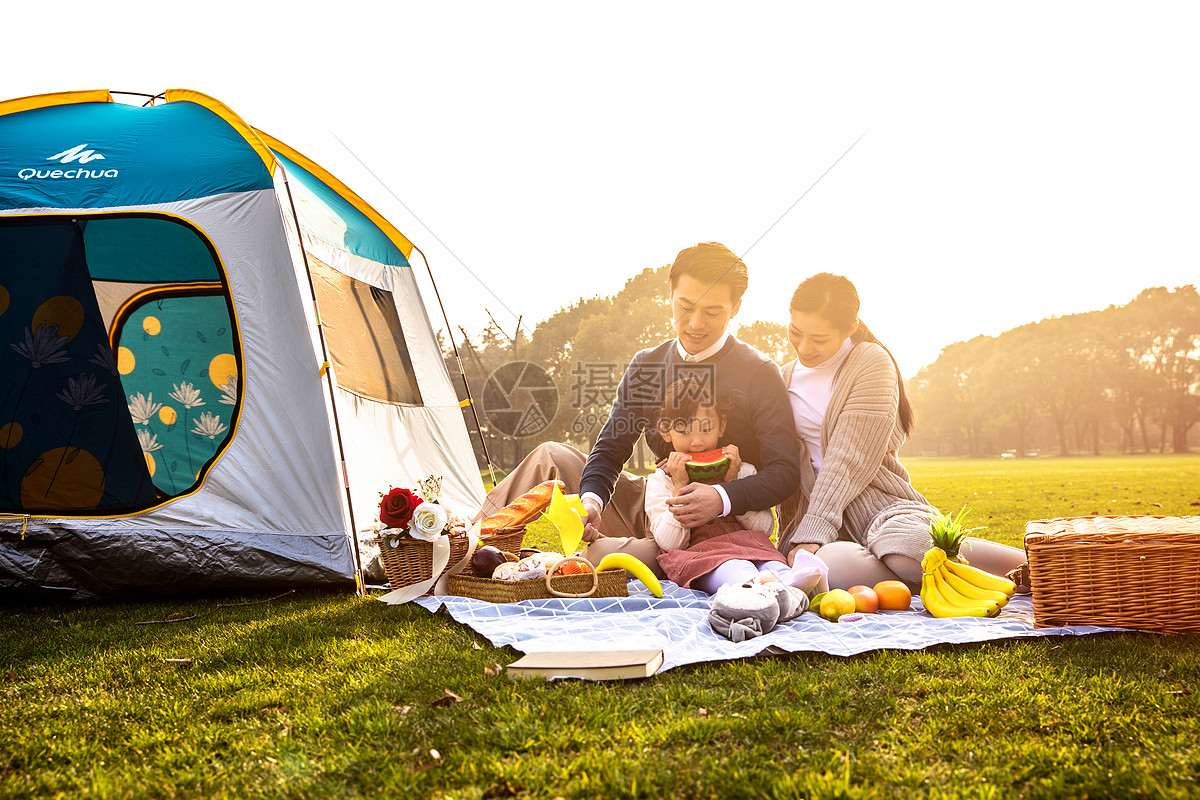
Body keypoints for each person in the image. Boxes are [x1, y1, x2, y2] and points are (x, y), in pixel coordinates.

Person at [475, 242, 801, 574]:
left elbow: (785, 471)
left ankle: (656, 558)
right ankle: (462, 545)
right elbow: (611, 448)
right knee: (550, 454)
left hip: (720, 531)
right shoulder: (647, 366)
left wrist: (723, 496)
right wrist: (592, 500)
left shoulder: (759, 372)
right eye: (685, 307)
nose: (695, 323)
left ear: (735, 308)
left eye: (712, 312)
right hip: (657, 503)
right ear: (670, 297)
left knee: (601, 556)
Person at [775, 273, 1026, 589]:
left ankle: (1038, 569)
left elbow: (848, 456)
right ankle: (944, 583)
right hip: (819, 528)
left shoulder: (871, 362)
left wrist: (814, 528)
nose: (804, 347)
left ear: (849, 328)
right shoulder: (784, 376)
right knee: (833, 568)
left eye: (819, 339)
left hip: (884, 511)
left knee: (906, 552)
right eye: (795, 332)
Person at [649, 378, 827, 595]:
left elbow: (764, 529)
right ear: (665, 431)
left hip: (752, 549)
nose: (697, 442)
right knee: (736, 569)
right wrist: (679, 486)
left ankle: (795, 586)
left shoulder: (741, 469)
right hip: (701, 558)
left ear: (722, 425)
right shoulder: (662, 479)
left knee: (775, 568)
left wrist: (733, 484)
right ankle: (762, 592)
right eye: (684, 432)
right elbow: (670, 543)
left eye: (706, 429)